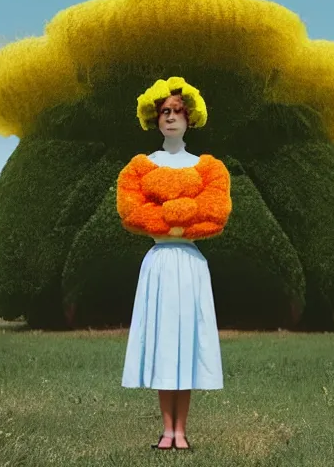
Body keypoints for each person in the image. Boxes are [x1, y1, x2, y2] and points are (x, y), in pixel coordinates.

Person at [116, 77, 232, 451]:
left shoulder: (207, 168)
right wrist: (179, 218)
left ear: (190, 118)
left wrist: (174, 215)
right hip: (161, 263)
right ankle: (167, 430)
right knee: (167, 343)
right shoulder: (141, 167)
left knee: (186, 341)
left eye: (178, 111)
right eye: (164, 111)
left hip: (190, 265)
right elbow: (133, 213)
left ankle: (183, 430)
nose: (171, 117)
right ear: (155, 117)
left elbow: (215, 215)